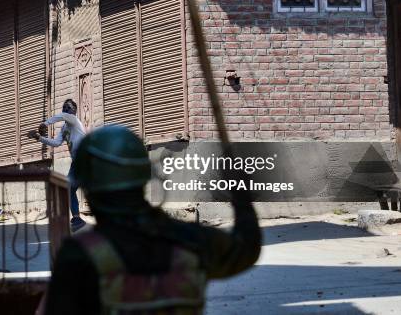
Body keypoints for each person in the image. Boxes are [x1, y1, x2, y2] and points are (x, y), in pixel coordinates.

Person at [44, 125, 261, 315]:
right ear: (144, 175)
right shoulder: (193, 241)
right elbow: (247, 247)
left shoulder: (78, 256)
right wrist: (241, 196)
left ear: (88, 187)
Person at [31, 99, 87, 232]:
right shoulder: (64, 128)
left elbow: (62, 116)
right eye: (64, 107)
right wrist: (40, 138)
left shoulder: (74, 121)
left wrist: (45, 123)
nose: (65, 109)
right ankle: (77, 219)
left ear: (74, 111)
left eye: (68, 107)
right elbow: (56, 143)